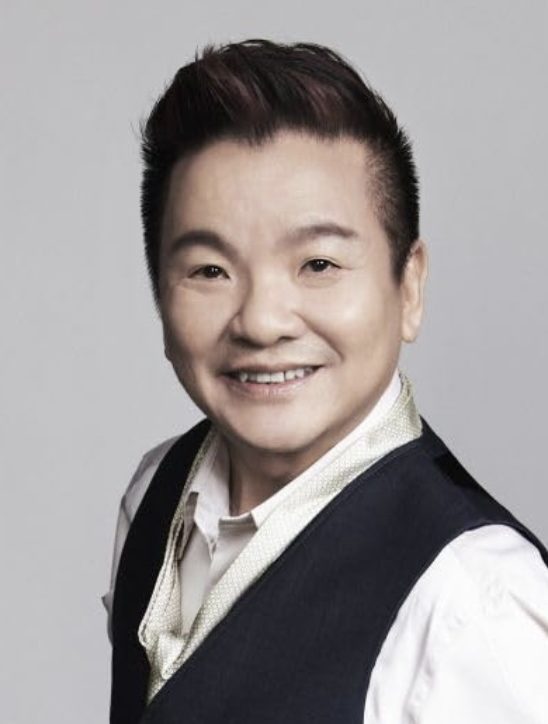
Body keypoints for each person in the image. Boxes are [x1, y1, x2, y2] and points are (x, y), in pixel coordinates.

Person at [103, 39, 548, 724]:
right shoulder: (155, 494)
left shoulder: (473, 603)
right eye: (210, 271)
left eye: (318, 265)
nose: (261, 321)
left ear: (409, 287)